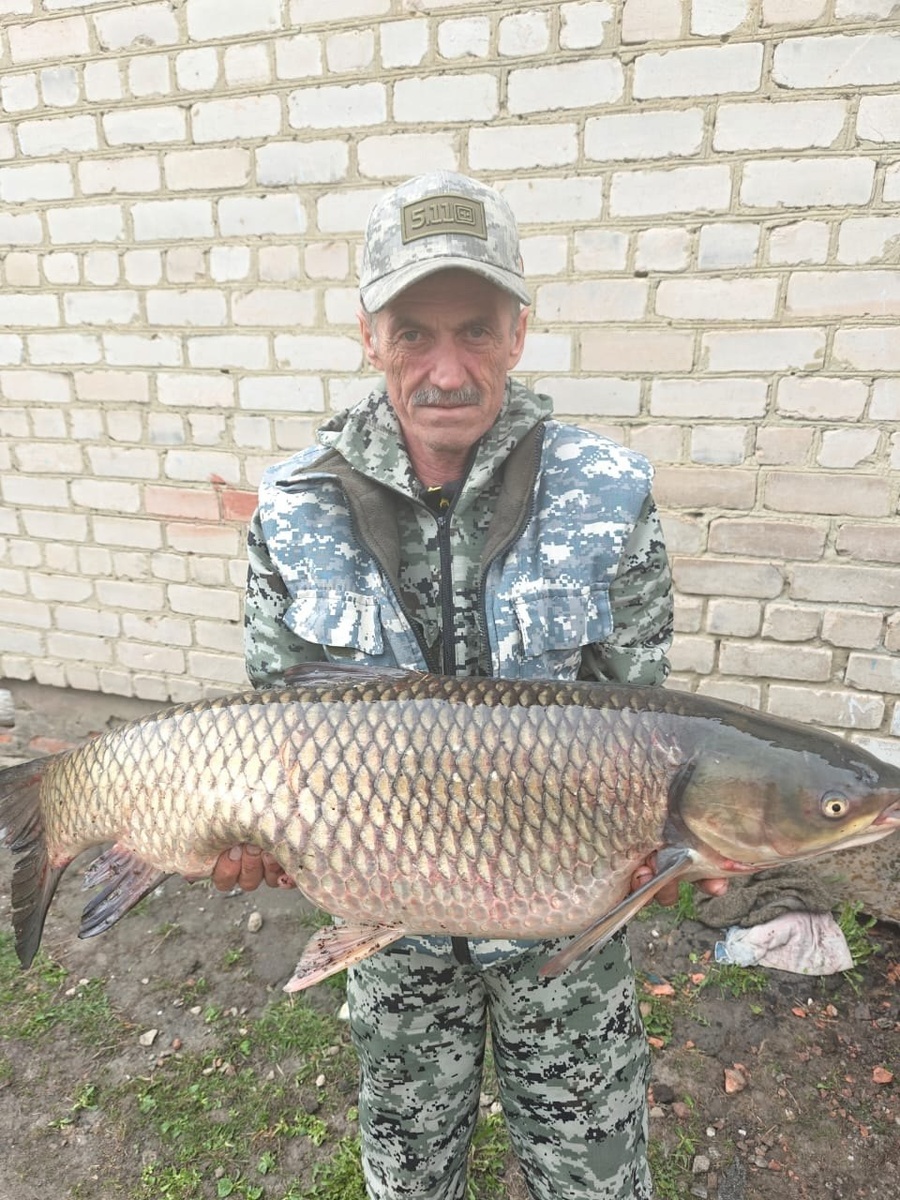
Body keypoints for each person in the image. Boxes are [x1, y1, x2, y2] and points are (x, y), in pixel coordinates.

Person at [212, 171, 725, 1200]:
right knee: (409, 1180)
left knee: (596, 1181)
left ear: (519, 333)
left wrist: (682, 842)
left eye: (476, 331)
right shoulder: (294, 505)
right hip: (387, 928)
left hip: (567, 934)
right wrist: (260, 835)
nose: (447, 371)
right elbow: (277, 717)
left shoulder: (606, 493)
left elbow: (641, 716)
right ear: (369, 336)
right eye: (414, 334)